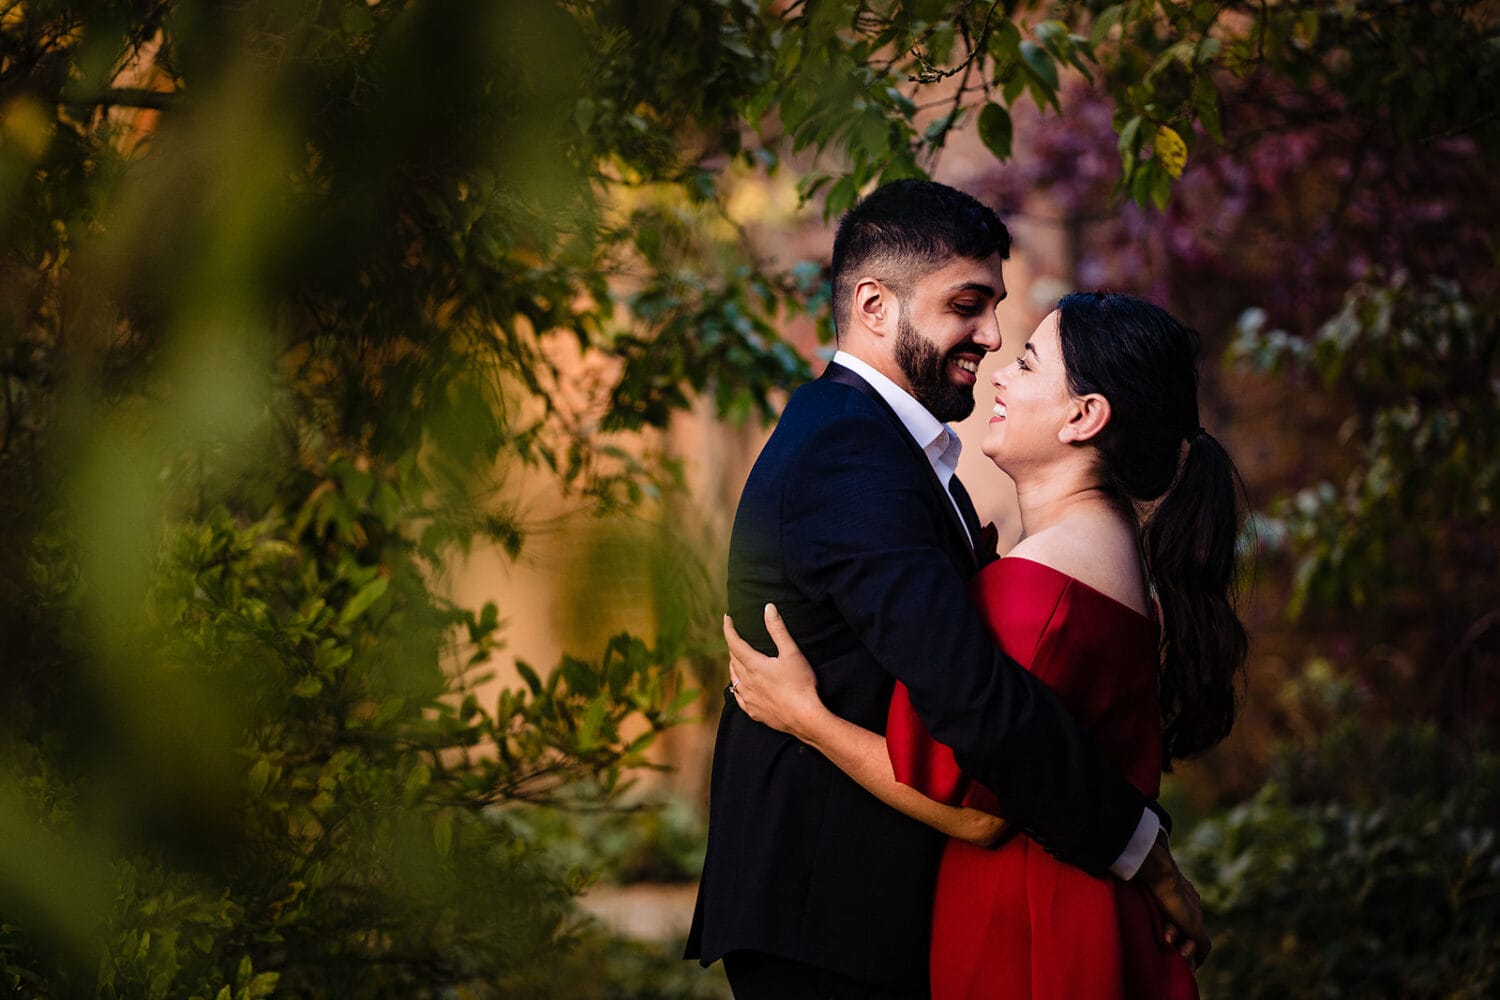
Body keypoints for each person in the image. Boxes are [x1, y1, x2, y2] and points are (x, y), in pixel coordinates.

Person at [684, 180, 1207, 999]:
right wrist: (1141, 848)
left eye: (996, 308)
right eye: (968, 305)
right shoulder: (845, 452)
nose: (991, 337)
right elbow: (978, 701)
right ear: (875, 305)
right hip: (828, 912)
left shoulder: (898, 456)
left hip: (885, 906)